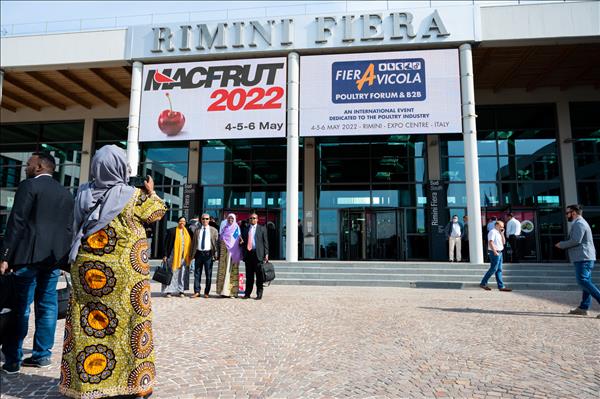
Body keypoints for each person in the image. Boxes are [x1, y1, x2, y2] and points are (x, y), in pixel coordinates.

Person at [59, 145, 167, 399]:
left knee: (89, 324)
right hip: (126, 274)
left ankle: (87, 385)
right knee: (132, 323)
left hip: (88, 272)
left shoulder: (84, 193)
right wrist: (151, 191)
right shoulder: (132, 195)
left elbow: (74, 226)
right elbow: (158, 212)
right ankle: (137, 384)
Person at [0, 152, 74, 374]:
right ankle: (42, 356)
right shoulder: (66, 193)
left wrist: (5, 256)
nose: (25, 166)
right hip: (52, 260)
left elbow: (17, 222)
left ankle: (13, 359)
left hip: (27, 258)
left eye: (29, 163)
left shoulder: (29, 186)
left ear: (40, 166)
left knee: (20, 307)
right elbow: (68, 228)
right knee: (47, 305)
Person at [555, 204, 599, 318]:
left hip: (583, 257)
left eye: (567, 213)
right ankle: (583, 307)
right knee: (586, 282)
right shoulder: (579, 223)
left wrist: (562, 244)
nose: (566, 215)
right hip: (584, 257)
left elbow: (576, 240)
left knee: (583, 281)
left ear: (573, 213)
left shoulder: (579, 224)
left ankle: (584, 307)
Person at [162, 217, 193, 297]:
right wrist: (165, 255)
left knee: (182, 273)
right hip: (173, 256)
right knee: (171, 272)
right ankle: (169, 291)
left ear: (185, 223)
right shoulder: (172, 231)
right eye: (180, 221)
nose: (182, 222)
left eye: (184, 221)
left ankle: (181, 290)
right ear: (178, 222)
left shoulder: (188, 232)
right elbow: (166, 244)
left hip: (184, 257)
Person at [242, 213, 269, 300]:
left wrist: (266, 254)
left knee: (259, 276)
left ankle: (259, 294)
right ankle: (247, 293)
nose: (252, 220)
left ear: (257, 219)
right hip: (248, 255)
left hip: (258, 255)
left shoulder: (262, 229)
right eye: (250, 218)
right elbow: (243, 242)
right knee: (249, 276)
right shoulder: (246, 229)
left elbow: (265, 242)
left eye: (254, 218)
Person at [190, 213, 218, 298]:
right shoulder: (197, 230)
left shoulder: (214, 230)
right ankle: (197, 291)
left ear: (209, 220)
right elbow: (194, 243)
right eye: (203, 219)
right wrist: (192, 255)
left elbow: (216, 244)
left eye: (206, 219)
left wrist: (216, 254)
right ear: (200, 220)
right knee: (197, 274)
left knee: (208, 274)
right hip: (198, 253)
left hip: (208, 254)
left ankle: (206, 292)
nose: (205, 220)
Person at [480, 220, 512, 292]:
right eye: (501, 226)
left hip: (500, 252)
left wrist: (502, 234)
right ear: (497, 225)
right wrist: (494, 251)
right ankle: (483, 283)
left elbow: (504, 242)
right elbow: (490, 242)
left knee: (499, 270)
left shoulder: (499, 233)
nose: (502, 228)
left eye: (503, 227)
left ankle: (501, 286)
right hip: (495, 252)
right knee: (493, 269)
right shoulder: (492, 232)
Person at [216, 214, 243, 298]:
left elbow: (237, 239)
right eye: (229, 218)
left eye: (232, 218)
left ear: (234, 219)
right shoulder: (225, 228)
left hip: (233, 253)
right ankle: (223, 291)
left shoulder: (236, 228)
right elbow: (220, 239)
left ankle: (232, 292)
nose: (230, 219)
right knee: (223, 272)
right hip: (224, 254)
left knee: (231, 271)